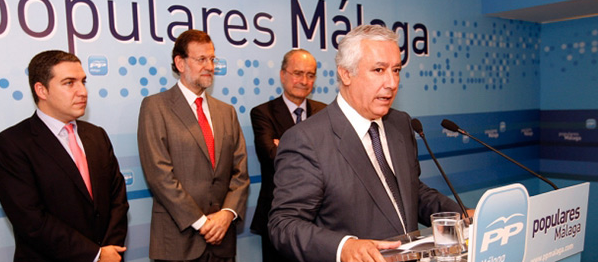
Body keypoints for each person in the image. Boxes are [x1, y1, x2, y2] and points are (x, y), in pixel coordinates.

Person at [268, 25, 463, 262]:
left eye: (396, 70)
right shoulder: (307, 139)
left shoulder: (400, 123)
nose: (392, 82)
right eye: (379, 70)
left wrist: (460, 214)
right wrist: (344, 247)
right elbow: (284, 225)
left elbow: (412, 191)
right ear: (346, 74)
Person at [0, 50, 129, 262]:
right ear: (41, 90)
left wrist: (109, 251)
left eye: (83, 81)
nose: (83, 91)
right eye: (69, 83)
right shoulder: (11, 144)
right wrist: (96, 255)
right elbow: (32, 221)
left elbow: (118, 199)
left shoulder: (96, 135)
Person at [137, 29, 249, 262]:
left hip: (222, 241)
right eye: (201, 59)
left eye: (212, 59)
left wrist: (227, 215)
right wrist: (202, 223)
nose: (209, 66)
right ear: (180, 63)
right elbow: (159, 176)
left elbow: (240, 173)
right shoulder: (155, 107)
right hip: (178, 242)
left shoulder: (226, 112)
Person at [249, 48, 326, 262]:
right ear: (283, 75)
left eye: (310, 75)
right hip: (277, 217)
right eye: (297, 73)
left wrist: (284, 145)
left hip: (320, 218)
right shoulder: (262, 113)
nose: (304, 80)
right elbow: (272, 158)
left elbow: (333, 159)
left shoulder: (325, 112)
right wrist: (315, 152)